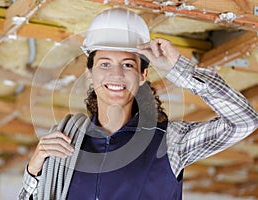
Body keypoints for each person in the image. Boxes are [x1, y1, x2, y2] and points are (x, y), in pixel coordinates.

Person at [19, 7, 258, 200]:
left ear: (143, 75)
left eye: (127, 65)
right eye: (104, 64)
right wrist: (34, 168)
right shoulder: (65, 144)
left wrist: (179, 69)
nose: (116, 75)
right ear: (89, 73)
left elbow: (243, 121)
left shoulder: (170, 142)